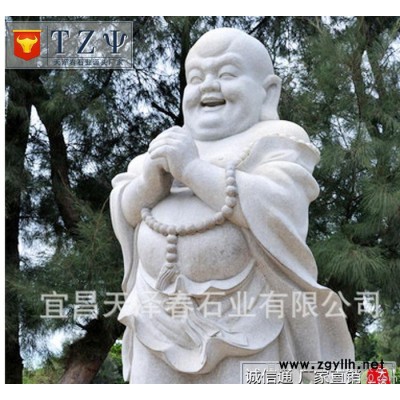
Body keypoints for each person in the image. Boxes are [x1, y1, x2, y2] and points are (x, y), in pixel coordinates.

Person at [110, 28, 354, 383]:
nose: (208, 85)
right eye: (196, 78)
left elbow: (278, 204)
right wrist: (149, 184)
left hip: (248, 313)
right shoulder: (166, 146)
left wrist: (192, 170)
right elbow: (125, 208)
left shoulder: (276, 140)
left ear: (268, 92)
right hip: (157, 312)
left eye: (226, 73)